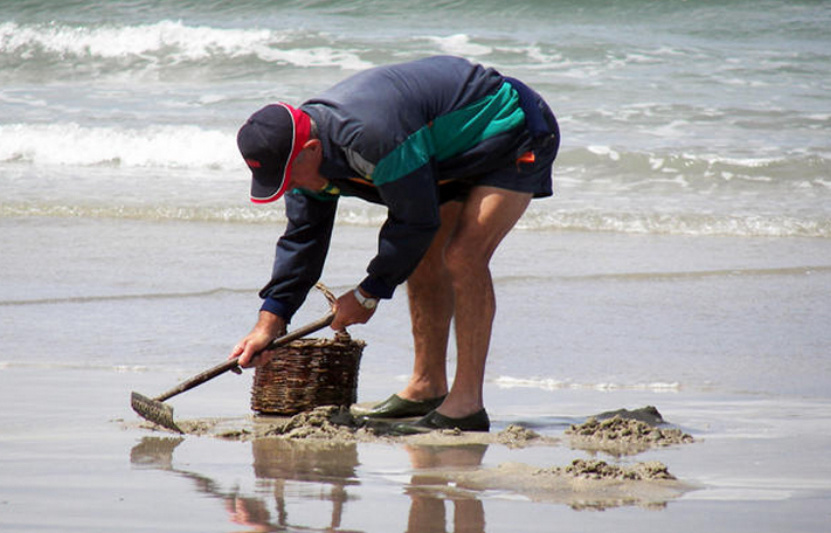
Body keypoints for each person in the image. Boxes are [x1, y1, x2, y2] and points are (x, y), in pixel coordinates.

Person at [230, 55, 559, 433]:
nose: (288, 186)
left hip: (509, 129)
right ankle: (427, 385)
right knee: (422, 257)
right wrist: (269, 322)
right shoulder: (298, 159)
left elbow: (415, 221)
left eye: (288, 177)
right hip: (442, 150)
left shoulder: (372, 138)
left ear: (312, 148)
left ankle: (467, 403)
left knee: (463, 255)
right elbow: (303, 239)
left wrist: (369, 293)